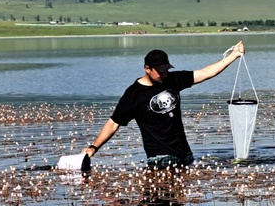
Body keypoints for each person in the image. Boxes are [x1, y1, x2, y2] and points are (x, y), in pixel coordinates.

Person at [83, 42, 245, 168]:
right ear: (147, 68)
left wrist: (234, 55)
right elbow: (114, 122)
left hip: (185, 153)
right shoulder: (134, 94)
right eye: (160, 71)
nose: (164, 74)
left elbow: (205, 73)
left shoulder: (172, 80)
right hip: (160, 158)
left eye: (166, 69)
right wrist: (94, 147)